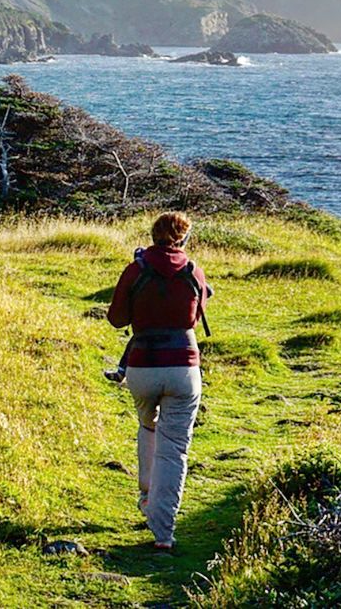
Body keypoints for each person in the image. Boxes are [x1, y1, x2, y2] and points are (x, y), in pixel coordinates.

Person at [106, 212, 212, 550]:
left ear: (153, 235)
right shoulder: (194, 270)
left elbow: (116, 319)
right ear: (183, 238)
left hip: (141, 367)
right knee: (174, 451)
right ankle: (163, 533)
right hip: (184, 366)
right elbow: (195, 317)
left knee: (148, 427)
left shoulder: (136, 269)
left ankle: (146, 496)